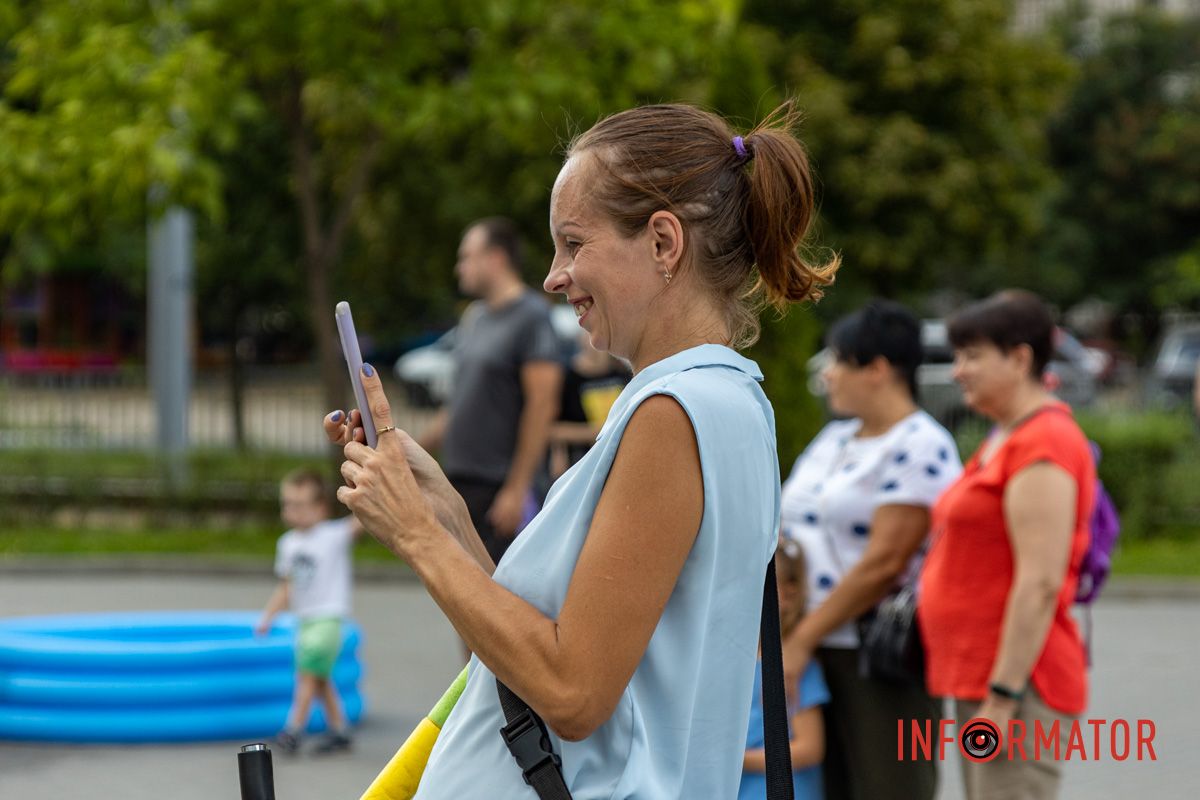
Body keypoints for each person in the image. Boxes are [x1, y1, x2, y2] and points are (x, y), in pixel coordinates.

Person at [327, 102, 839, 798]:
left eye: (573, 243)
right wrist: (443, 509)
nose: (554, 276)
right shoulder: (724, 398)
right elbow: (543, 652)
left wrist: (418, 537)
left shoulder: (673, 411)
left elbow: (572, 693)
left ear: (663, 242)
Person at [779, 300, 962, 800]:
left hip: (879, 654)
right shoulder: (835, 437)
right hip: (817, 647)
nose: (829, 376)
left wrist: (799, 641)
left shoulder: (923, 445)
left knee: (891, 788)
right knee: (823, 786)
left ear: (878, 369)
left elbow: (885, 562)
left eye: (838, 361)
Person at [918, 290, 1095, 800]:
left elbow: (1040, 582)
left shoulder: (1044, 443)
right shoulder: (1010, 436)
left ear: (1020, 358)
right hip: (988, 680)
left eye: (973, 355)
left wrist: (1003, 696)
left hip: (1018, 686)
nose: (958, 371)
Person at [416, 217, 564, 566]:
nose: (459, 267)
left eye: (466, 256)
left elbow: (542, 406)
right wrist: (402, 449)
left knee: (496, 602)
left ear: (495, 258)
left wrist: (517, 488)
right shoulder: (476, 317)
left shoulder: (531, 316)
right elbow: (459, 404)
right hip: (462, 483)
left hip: (499, 489)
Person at [256, 467, 364, 755]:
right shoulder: (288, 544)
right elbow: (286, 588)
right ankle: (340, 730)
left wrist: (368, 488)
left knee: (307, 674)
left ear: (321, 508)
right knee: (320, 678)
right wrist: (268, 617)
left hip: (328, 619)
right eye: (288, 504)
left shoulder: (333, 534)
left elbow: (362, 519)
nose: (293, 511)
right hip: (304, 621)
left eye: (301, 505)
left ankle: (293, 730)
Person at [740, 538, 830, 800]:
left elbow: (810, 748)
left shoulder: (795, 668)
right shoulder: (727, 664)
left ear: (788, 595)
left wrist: (737, 760)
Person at [547, 331, 630, 478]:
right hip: (582, 462)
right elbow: (553, 428)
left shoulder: (622, 374)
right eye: (589, 333)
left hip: (618, 459)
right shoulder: (568, 378)